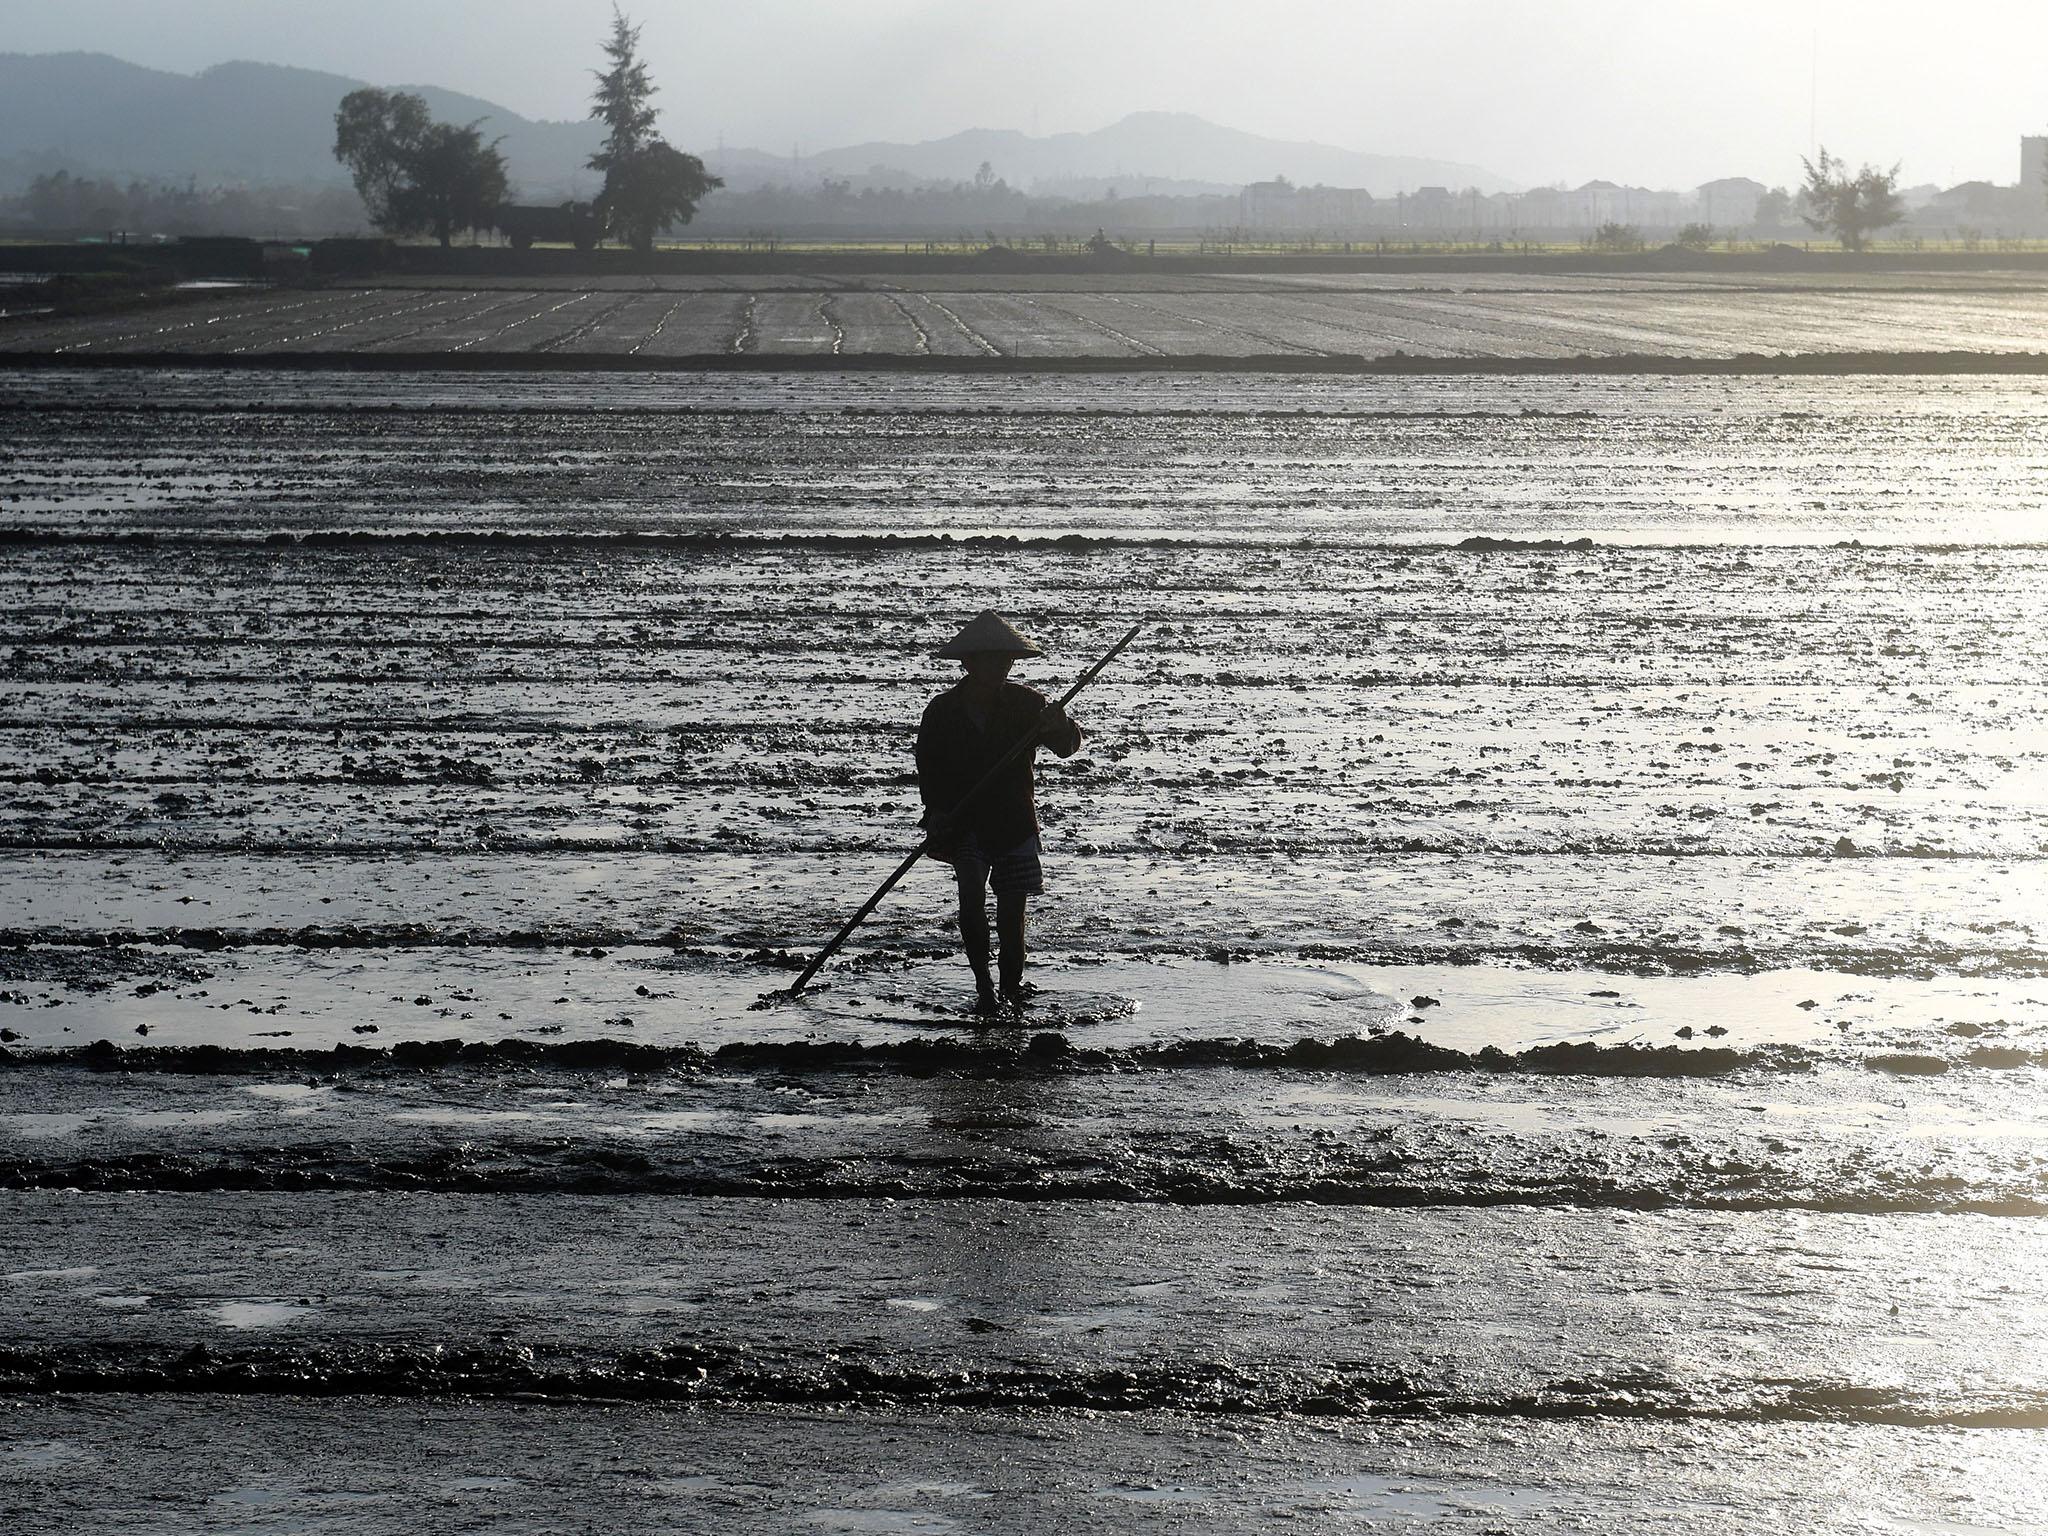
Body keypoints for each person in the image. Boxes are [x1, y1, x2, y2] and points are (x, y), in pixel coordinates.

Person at [916, 610, 1084, 1014]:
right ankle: (983, 987)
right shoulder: (942, 711)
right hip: (965, 821)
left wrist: (1059, 724)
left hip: (1013, 821)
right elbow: (929, 766)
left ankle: (1011, 987)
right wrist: (936, 812)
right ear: (968, 663)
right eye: (988, 660)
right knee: (970, 899)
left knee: (1012, 913)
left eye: (1004, 660)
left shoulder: (1028, 704)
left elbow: (1068, 745)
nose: (998, 667)